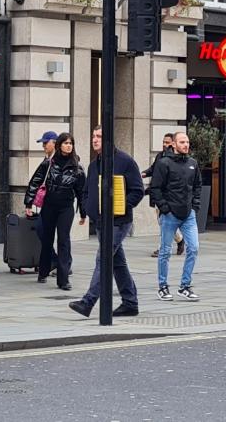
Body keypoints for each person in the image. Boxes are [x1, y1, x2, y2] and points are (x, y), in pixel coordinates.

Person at [70, 127, 144, 318]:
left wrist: (120, 207)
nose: (95, 140)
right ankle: (130, 303)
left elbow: (138, 190)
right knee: (118, 264)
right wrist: (88, 208)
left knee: (103, 258)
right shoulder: (94, 165)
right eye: (93, 136)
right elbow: (87, 191)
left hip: (119, 221)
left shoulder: (125, 161)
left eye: (99, 137)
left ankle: (88, 302)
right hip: (101, 222)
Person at [25, 131, 84, 290]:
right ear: (59, 145)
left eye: (71, 143)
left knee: (64, 240)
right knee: (47, 239)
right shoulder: (49, 163)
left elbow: (81, 192)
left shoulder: (77, 168)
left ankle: (63, 279)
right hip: (49, 206)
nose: (68, 146)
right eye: (65, 143)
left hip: (66, 207)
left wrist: (84, 213)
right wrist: (29, 204)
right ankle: (43, 271)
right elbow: (35, 182)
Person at [149, 130, 201, 301]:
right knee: (165, 251)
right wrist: (164, 208)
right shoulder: (164, 163)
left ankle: (185, 286)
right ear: (174, 145)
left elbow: (197, 185)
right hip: (170, 214)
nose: (185, 145)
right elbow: (155, 188)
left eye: (187, 142)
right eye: (182, 142)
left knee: (193, 248)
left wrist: (195, 206)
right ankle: (163, 287)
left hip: (188, 214)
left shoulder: (193, 163)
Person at [145, 133, 184, 258]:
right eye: (163, 142)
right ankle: (179, 240)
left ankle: (163, 248)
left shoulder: (175, 158)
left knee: (165, 222)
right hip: (158, 194)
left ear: (173, 144)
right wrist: (144, 173)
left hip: (168, 196)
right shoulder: (160, 156)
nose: (164, 144)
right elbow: (153, 169)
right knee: (162, 221)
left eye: (167, 142)